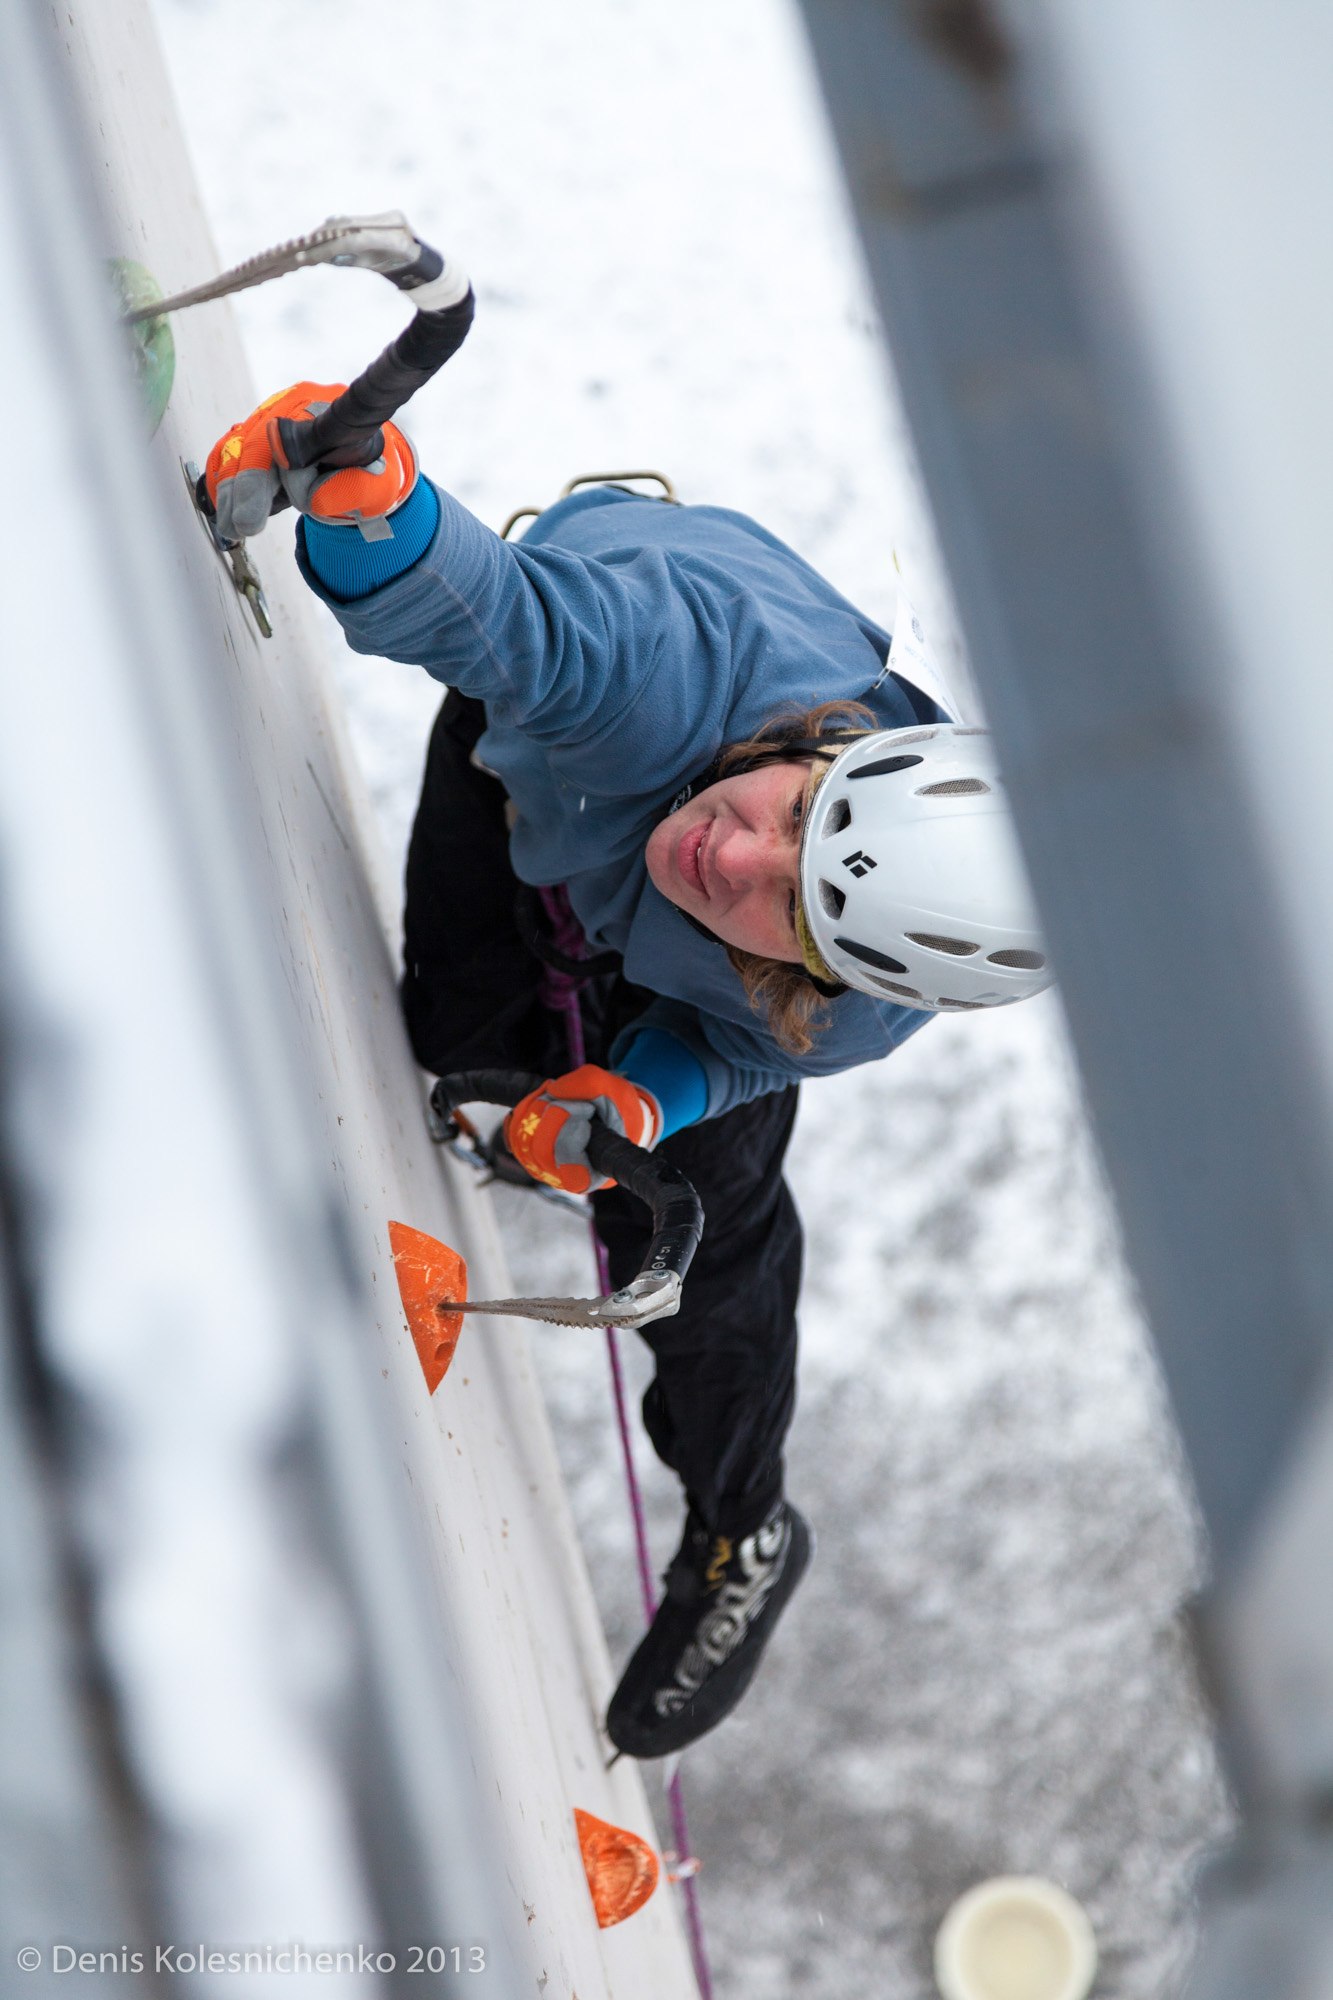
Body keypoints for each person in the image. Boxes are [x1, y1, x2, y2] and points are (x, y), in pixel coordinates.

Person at [207, 382, 1049, 1760]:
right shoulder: (644, 682)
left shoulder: (850, 1008)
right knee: (461, 1050)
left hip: (669, 926)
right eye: (796, 815)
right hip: (545, 771)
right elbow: (495, 617)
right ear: (818, 749)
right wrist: (372, 504)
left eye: (794, 904)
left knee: (702, 1237)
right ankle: (531, 1051)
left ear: (824, 978)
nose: (738, 852)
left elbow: (734, 1041)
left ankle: (741, 1533)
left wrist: (642, 1097)